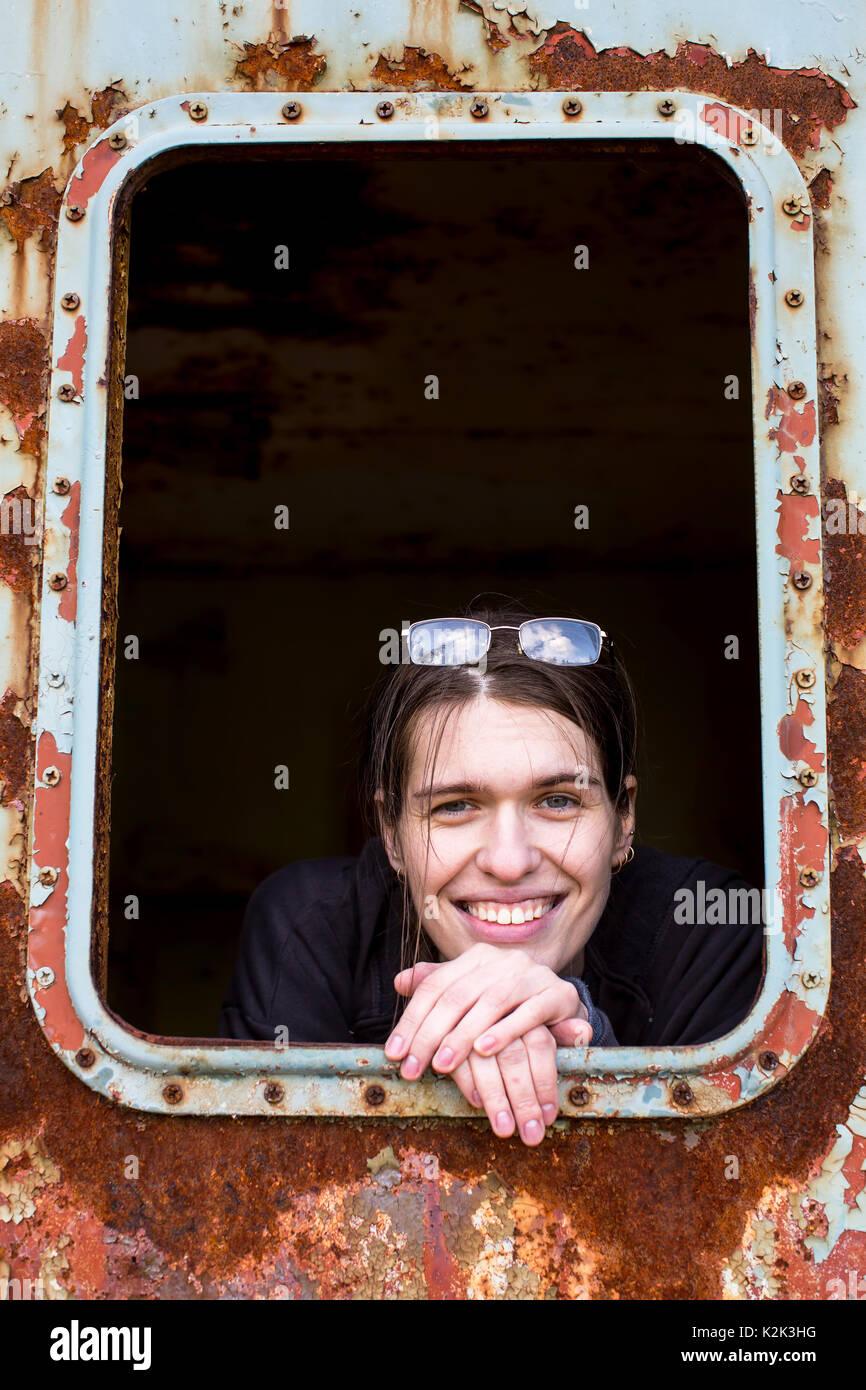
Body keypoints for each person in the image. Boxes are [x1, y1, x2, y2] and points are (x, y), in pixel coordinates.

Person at [218, 599, 764, 1147]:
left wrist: (585, 1041)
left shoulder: (707, 926)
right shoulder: (310, 926)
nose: (508, 861)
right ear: (391, 832)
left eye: (557, 801)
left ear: (624, 819)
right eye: (455, 806)